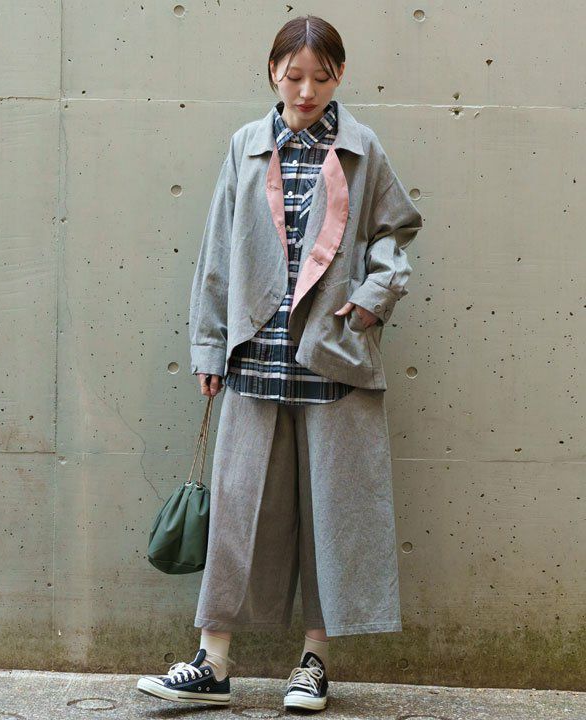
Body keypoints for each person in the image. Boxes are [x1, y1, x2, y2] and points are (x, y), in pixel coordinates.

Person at [137, 14, 423, 713]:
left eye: (319, 78)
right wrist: (209, 346)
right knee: (238, 515)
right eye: (293, 76)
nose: (305, 91)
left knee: (332, 518)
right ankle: (213, 663)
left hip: (333, 360)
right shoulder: (246, 145)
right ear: (273, 72)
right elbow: (216, 253)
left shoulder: (361, 148)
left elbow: (397, 232)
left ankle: (314, 664)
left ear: (339, 75)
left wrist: (371, 299)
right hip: (255, 358)